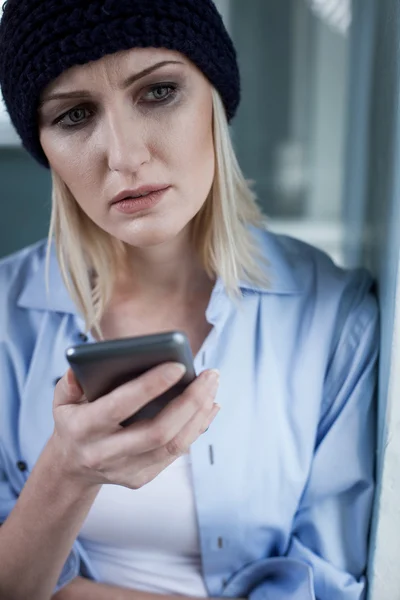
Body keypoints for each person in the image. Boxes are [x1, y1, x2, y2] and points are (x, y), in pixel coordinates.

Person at [0, 1, 378, 599]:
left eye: (158, 92)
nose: (123, 156)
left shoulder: (334, 318)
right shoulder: (4, 319)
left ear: (215, 99)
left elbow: (330, 586)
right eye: (74, 115)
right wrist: (65, 474)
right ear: (44, 146)